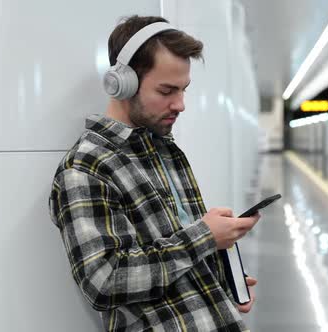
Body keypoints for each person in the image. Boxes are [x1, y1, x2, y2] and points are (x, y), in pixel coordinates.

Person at [49, 15, 260, 332]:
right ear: (122, 83)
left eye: (183, 90)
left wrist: (219, 278)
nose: (180, 104)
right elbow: (104, 281)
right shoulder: (86, 167)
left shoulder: (164, 149)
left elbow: (172, 253)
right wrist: (204, 237)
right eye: (166, 91)